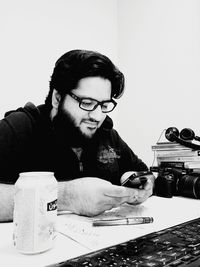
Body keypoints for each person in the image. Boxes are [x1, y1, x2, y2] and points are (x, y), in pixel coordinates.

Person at [0, 49, 155, 222]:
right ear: (57, 98)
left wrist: (144, 185)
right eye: (87, 103)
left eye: (104, 105)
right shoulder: (20, 127)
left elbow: (144, 173)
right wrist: (67, 196)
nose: (97, 117)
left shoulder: (108, 134)